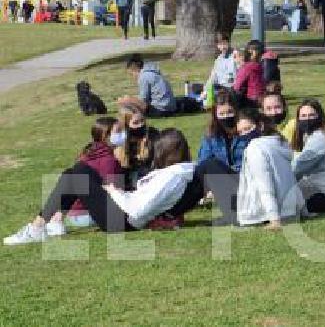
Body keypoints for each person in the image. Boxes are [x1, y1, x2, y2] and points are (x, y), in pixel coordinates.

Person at [4, 129, 195, 245]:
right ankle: (48, 224)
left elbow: (139, 209)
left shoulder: (174, 175)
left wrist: (114, 192)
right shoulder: (177, 173)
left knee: (79, 170)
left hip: (123, 221)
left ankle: (40, 226)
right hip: (124, 212)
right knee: (72, 174)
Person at [236, 110, 299, 228]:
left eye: (247, 128)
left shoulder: (255, 148)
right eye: (240, 131)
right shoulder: (280, 142)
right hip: (290, 209)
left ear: (260, 125)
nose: (244, 134)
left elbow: (264, 185)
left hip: (262, 214)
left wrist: (274, 220)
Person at [65, 117, 124, 228]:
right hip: (85, 215)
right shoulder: (108, 160)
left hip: (75, 214)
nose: (123, 134)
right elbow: (112, 190)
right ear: (104, 136)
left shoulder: (93, 151)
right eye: (118, 131)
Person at [196, 89, 258, 173]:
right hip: (219, 180)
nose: (226, 117)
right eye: (221, 114)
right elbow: (203, 161)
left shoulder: (245, 131)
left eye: (230, 112)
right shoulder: (210, 137)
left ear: (236, 111)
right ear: (215, 115)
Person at [111, 103, 160, 190]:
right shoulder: (119, 141)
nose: (141, 125)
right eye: (135, 123)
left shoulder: (152, 134)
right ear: (125, 124)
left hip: (148, 177)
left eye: (142, 121)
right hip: (125, 180)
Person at [201, 32, 238, 103]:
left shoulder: (235, 55)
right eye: (220, 44)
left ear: (228, 43)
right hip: (221, 88)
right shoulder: (218, 59)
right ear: (217, 45)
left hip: (232, 88)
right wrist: (205, 90)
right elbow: (212, 77)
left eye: (225, 44)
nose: (223, 47)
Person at [233, 40, 266, 109]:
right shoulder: (260, 65)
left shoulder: (247, 67)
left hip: (250, 98)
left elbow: (237, 85)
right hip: (262, 95)